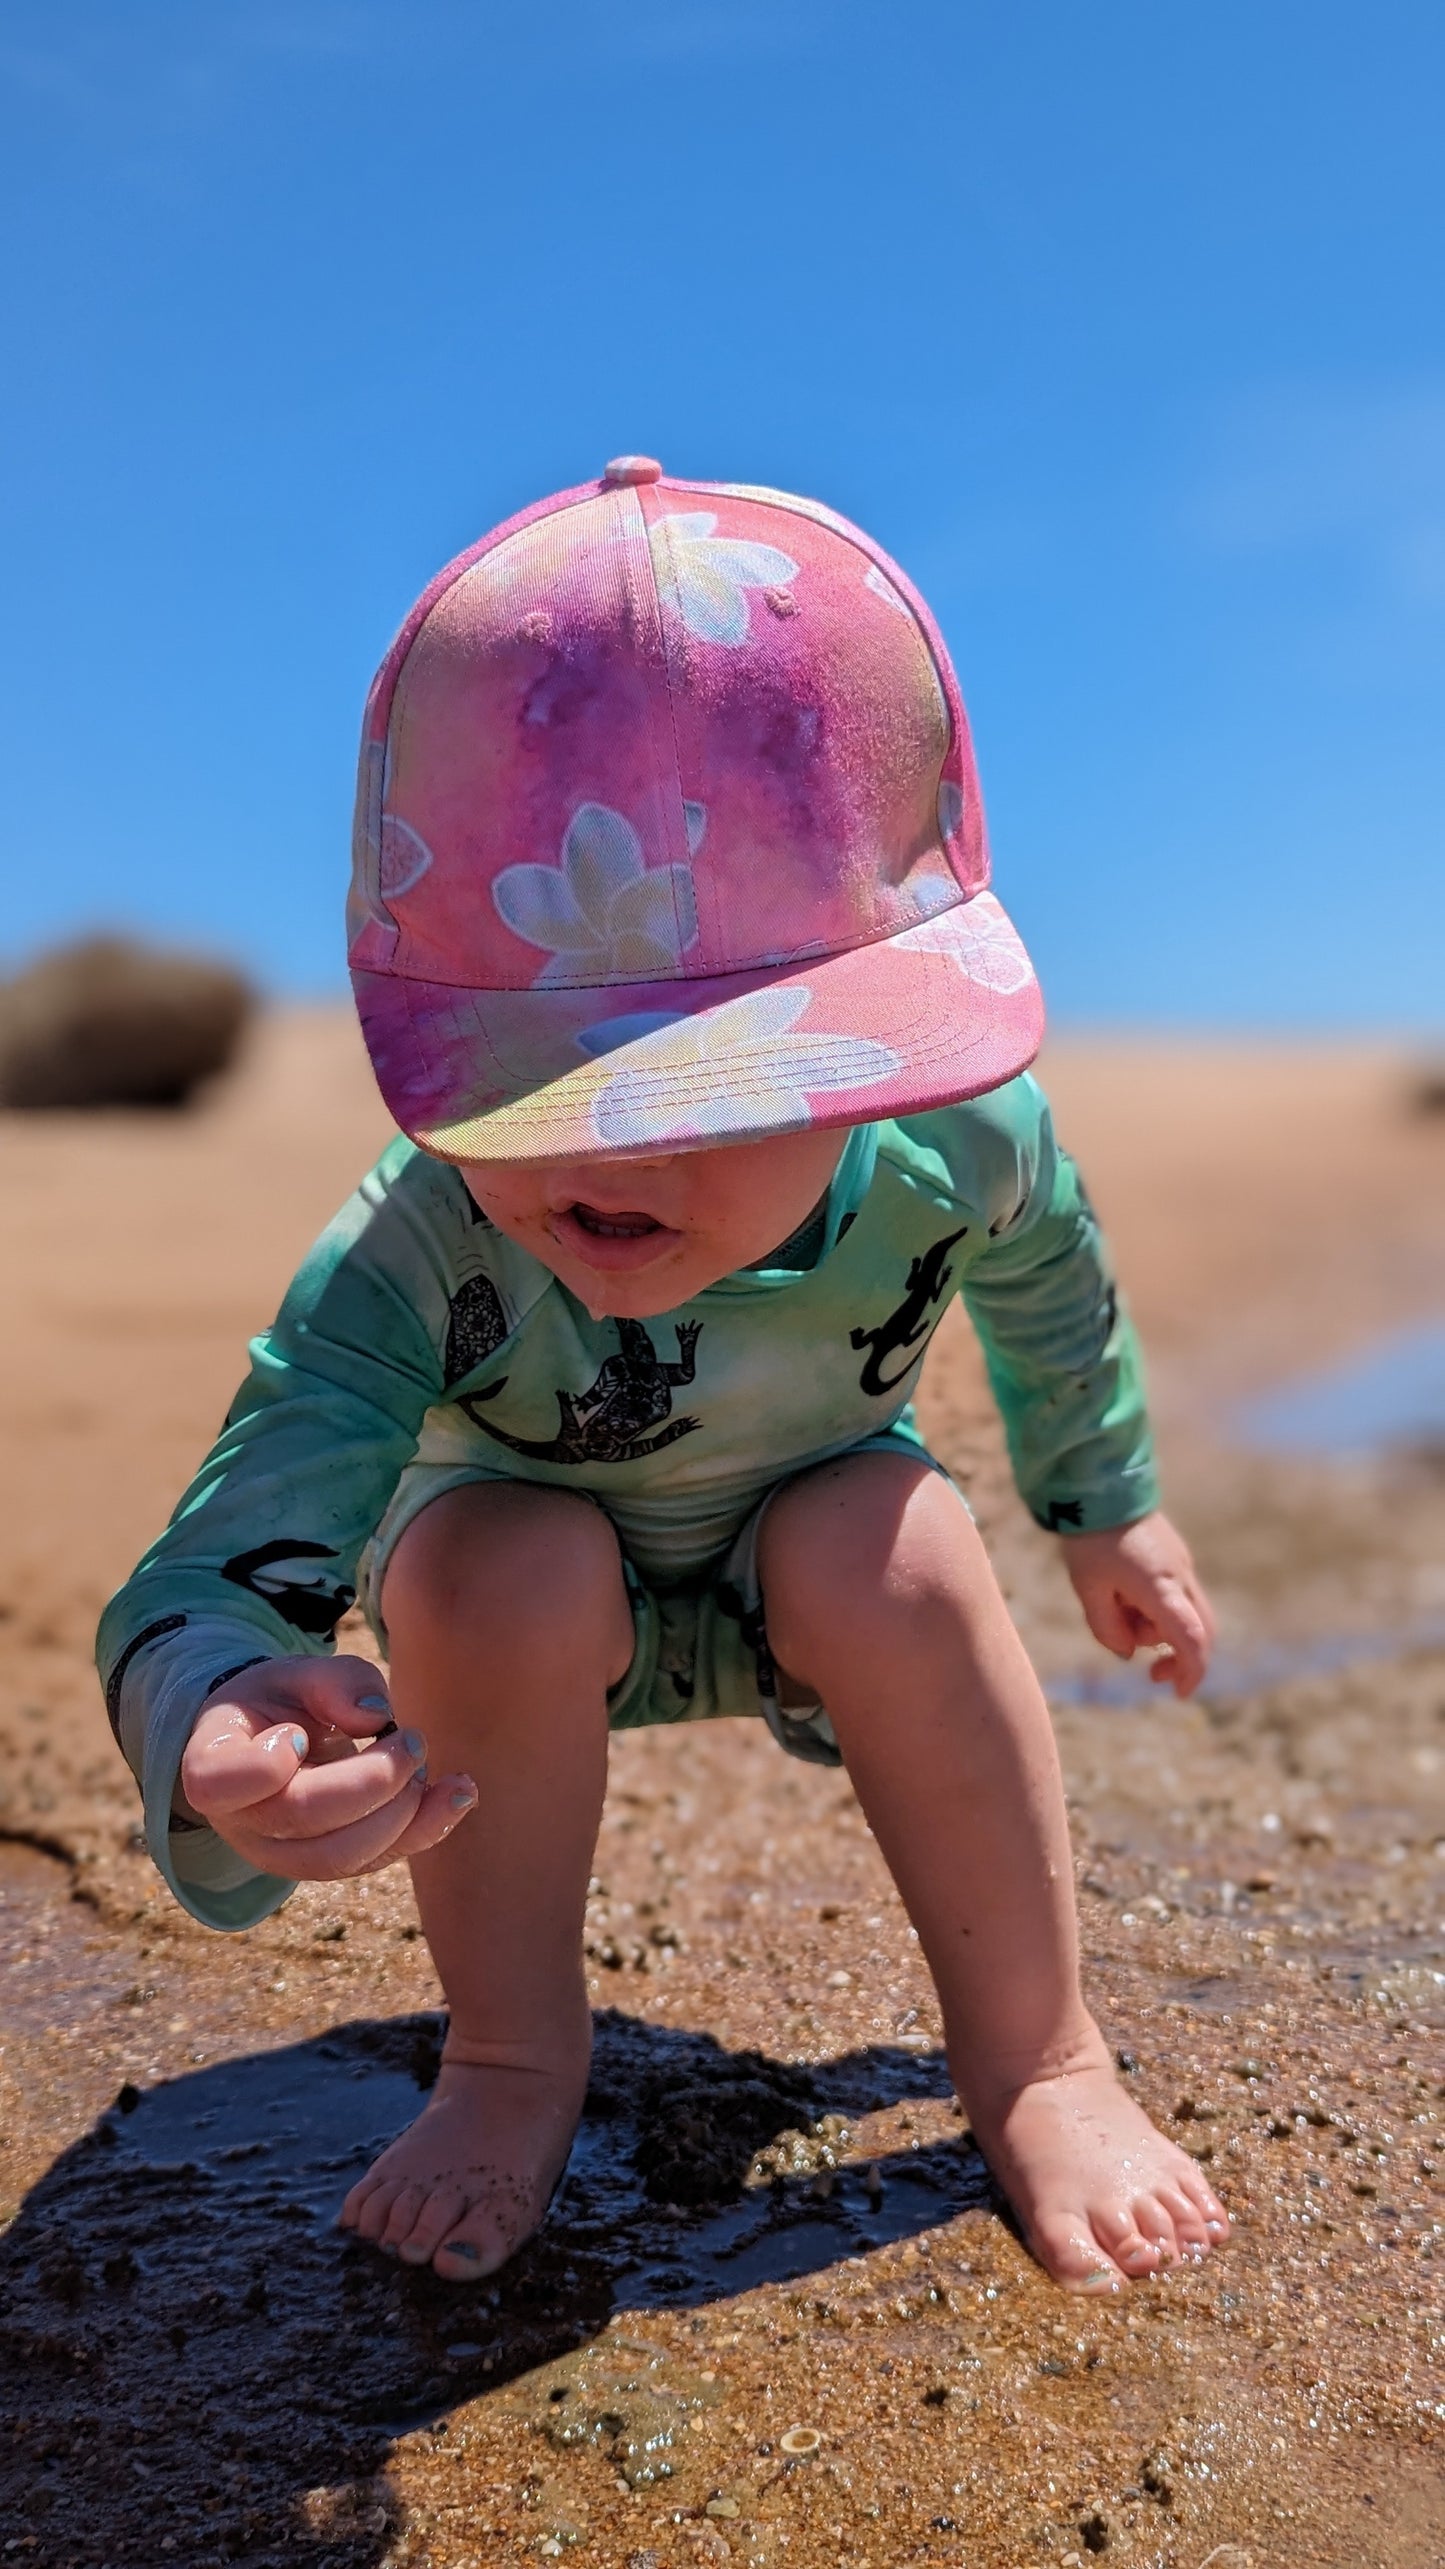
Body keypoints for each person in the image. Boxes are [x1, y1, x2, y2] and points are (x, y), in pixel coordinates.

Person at [98, 457, 1228, 2293]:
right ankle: (510, 2056)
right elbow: (223, 1544)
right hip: (531, 1622)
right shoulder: (422, 1240)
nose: (606, 1159)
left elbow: (1053, 1289)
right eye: (531, 1087)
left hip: (809, 1556)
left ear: (875, 1061)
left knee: (898, 1535)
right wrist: (220, 1705)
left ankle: (1037, 2052)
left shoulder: (966, 1143)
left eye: (717, 1083)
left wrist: (1104, 1505)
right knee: (481, 1557)